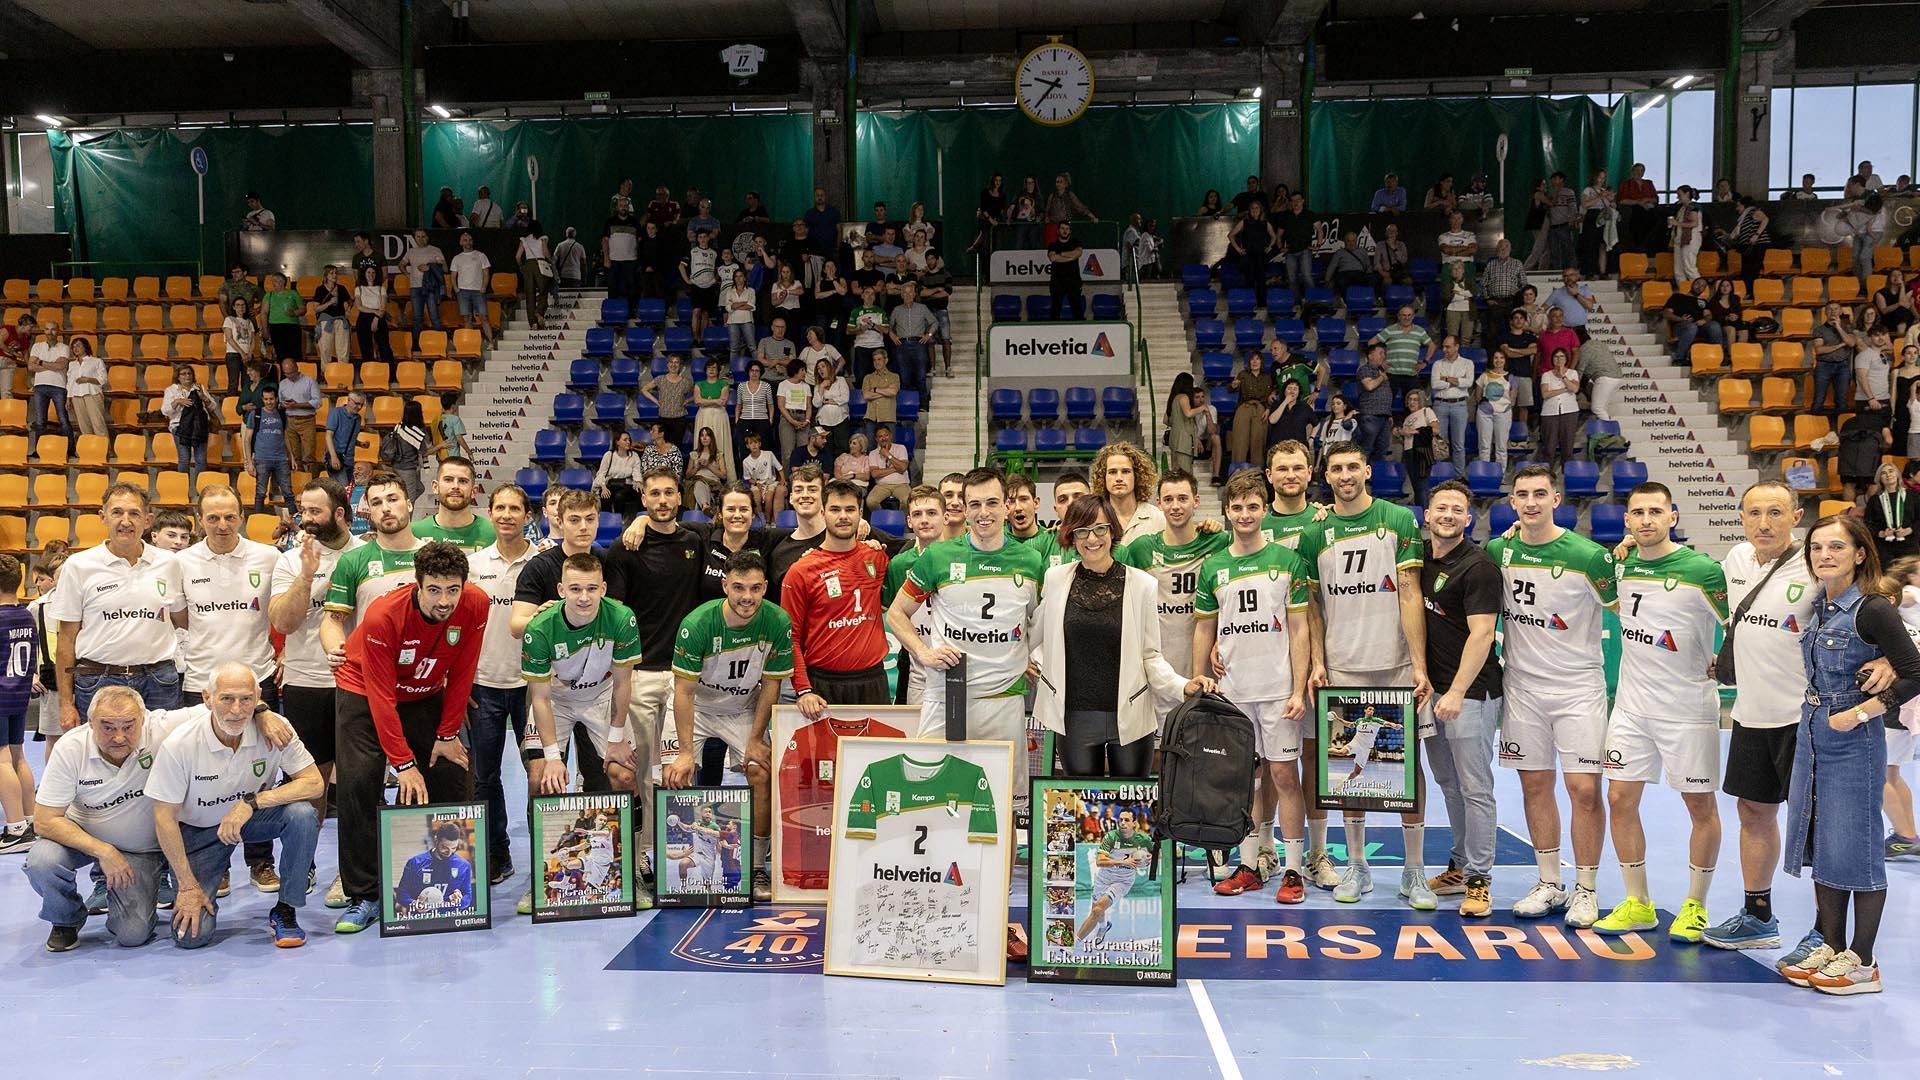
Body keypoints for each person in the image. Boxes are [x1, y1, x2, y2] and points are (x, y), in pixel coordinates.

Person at [1777, 515, 1920, 995]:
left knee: (1857, 847)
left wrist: (1863, 713)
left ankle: (1863, 961)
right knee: (1825, 844)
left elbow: (1915, 673)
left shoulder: (1872, 608)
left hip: (1853, 738)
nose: (1824, 555)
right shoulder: (1822, 604)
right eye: (1817, 547)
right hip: (1813, 732)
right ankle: (1831, 945)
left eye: (1836, 547)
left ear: (1860, 554)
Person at [27, 688, 274, 951]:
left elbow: (228, 707)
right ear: (91, 723)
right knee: (43, 860)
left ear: (144, 719)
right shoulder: (70, 748)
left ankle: (145, 892)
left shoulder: (162, 727)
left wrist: (264, 713)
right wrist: (104, 851)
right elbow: (44, 821)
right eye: (107, 727)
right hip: (88, 838)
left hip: (146, 850)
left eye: (128, 726)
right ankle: (66, 919)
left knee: (132, 935)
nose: (119, 737)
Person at [1588, 483, 1730, 942]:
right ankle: (1638, 903)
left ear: (1673, 516)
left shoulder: (1703, 570)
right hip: (1631, 708)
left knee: (1700, 807)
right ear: (1626, 521)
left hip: (1688, 711)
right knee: (1619, 800)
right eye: (1637, 513)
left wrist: (1726, 662)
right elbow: (1604, 593)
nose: (1646, 519)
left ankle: (1695, 905)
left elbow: (1742, 624)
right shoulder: (1621, 566)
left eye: (1655, 511)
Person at [1297, 444, 1433, 907]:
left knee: (1406, 768)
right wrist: (1318, 661)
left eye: (1352, 466)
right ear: (1326, 476)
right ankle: (1358, 868)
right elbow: (1312, 608)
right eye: (1336, 468)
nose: (1345, 474)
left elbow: (1410, 593)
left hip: (1394, 663)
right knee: (1346, 771)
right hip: (1342, 666)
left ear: (1368, 471)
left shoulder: (1397, 520)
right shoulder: (1315, 533)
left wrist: (1419, 664)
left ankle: (1414, 873)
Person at [328, 541, 488, 934]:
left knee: (449, 769)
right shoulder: (385, 615)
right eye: (434, 589)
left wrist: (448, 734)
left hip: (426, 692)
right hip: (363, 691)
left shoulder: (476, 604)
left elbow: (464, 672)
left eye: (453, 589)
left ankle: (453, 885)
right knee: (360, 782)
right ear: (417, 585)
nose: (445, 600)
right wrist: (402, 764)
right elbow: (381, 695)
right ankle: (364, 894)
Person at [1485, 466, 1617, 927]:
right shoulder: (1498, 550)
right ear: (1513, 502)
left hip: (1578, 689)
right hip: (1522, 687)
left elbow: (1629, 607)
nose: (1532, 502)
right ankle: (1548, 882)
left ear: (1556, 498)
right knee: (1534, 785)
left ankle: (1587, 887)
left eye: (1540, 494)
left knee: (1584, 789)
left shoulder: (1590, 555)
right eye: (1522, 495)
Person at [1702, 483, 1821, 952]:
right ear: (1742, 518)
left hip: (1804, 719)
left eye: (1775, 512)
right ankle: (1758, 917)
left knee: (1817, 826)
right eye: (1754, 513)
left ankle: (1825, 931)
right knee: (1753, 812)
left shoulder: (1816, 563)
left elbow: (1865, 610)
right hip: (1750, 715)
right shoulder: (1735, 560)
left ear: (1796, 515)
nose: (1764, 523)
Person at [1193, 470, 1311, 900]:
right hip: (1234, 691)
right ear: (1226, 512)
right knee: (1246, 781)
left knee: (1284, 776)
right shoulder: (1215, 566)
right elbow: (1203, 629)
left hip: (1278, 690)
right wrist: (1200, 678)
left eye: (1252, 507)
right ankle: (1248, 864)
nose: (1245, 514)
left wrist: (1298, 689)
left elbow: (1300, 630)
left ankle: (1294, 869)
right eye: (1236, 507)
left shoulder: (1287, 560)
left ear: (1264, 510)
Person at [147, 662, 323, 949]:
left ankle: (286, 909)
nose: (237, 709)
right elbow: (164, 818)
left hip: (249, 820)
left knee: (302, 814)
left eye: (246, 699)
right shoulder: (180, 743)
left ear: (258, 698)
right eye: (226, 698)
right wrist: (189, 886)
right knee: (191, 938)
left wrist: (252, 803)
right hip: (199, 831)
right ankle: (174, 884)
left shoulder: (276, 730)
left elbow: (314, 783)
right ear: (207, 698)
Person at [885, 467, 1043, 762]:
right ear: (963, 510)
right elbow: (896, 614)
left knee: (1002, 795)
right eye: (975, 504)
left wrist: (1035, 657)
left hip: (1004, 697)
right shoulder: (938, 556)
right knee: (932, 784)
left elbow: (1038, 622)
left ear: (1007, 506)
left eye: (992, 502)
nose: (984, 512)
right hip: (947, 693)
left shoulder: (1031, 561)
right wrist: (922, 652)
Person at [516, 552, 642, 913]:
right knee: (540, 778)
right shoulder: (539, 629)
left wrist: (616, 738)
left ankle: (630, 873)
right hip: (555, 699)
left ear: (603, 588)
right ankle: (538, 880)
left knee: (624, 775)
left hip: (602, 695)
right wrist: (555, 759)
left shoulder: (621, 618)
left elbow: (622, 683)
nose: (584, 597)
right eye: (575, 589)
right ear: (561, 590)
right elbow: (539, 697)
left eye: (591, 588)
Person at [664, 551, 792, 901]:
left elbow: (771, 686)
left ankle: (757, 867)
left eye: (754, 588)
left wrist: (754, 739)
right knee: (674, 774)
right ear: (725, 586)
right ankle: (674, 869)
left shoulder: (778, 621)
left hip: (741, 709)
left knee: (760, 770)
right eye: (738, 588)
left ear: (765, 587)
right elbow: (684, 693)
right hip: (698, 708)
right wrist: (686, 753)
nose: (746, 597)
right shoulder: (698, 623)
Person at [175, 485, 283, 889]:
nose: (222, 525)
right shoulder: (181, 563)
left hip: (257, 683)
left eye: (230, 516)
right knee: (203, 779)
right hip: (200, 684)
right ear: (199, 519)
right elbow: (179, 618)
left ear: (242, 516)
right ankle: (215, 864)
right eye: (213, 517)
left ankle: (260, 860)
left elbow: (281, 612)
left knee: (259, 774)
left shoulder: (268, 557)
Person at [267, 477, 364, 908]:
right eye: (302, 511)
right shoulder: (290, 561)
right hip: (307, 680)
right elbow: (284, 623)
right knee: (310, 782)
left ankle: (352, 872)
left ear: (340, 513)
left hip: (359, 682)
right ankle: (303, 863)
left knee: (360, 784)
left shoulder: (367, 554)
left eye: (315, 511)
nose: (305, 520)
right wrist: (306, 576)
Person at [1414, 482, 1503, 918]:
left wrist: (1456, 691)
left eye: (1457, 510)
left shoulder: (1479, 567)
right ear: (1426, 515)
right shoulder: (1417, 558)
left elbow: (1483, 633)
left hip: (1468, 693)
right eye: (1440, 507)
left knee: (1475, 787)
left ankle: (1481, 879)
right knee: (1448, 784)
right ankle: (1460, 865)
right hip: (1431, 692)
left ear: (1468, 519)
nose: (1448, 515)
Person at [53, 484, 186, 733]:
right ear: (103, 517)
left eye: (134, 513)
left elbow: (183, 619)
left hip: (158, 680)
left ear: (148, 521)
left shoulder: (169, 564)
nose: (126, 521)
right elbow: (66, 639)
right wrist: (64, 703)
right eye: (117, 512)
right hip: (98, 680)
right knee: (101, 760)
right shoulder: (79, 566)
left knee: (160, 758)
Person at [463, 484, 535, 887]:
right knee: (486, 777)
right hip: (484, 685)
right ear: (490, 513)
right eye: (500, 508)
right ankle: (497, 853)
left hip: (532, 686)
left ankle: (545, 854)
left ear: (528, 515)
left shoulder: (542, 563)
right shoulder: (473, 565)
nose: (507, 514)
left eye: (515, 508)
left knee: (538, 774)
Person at [784, 480, 893, 715]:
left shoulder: (876, 557)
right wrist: (803, 689)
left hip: (873, 680)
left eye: (850, 509)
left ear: (861, 514)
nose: (843, 516)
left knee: (877, 753)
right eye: (835, 509)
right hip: (822, 685)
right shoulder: (801, 570)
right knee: (826, 754)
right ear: (823, 512)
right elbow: (790, 637)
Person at [411, 456, 494, 551]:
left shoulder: (493, 534)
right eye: (448, 480)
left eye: (463, 481)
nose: (455, 486)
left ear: (474, 491)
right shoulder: (414, 533)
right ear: (435, 487)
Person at [1091, 442, 1166, 544]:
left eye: (1125, 471)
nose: (1119, 478)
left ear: (1137, 476)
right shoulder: (1093, 518)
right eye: (1112, 472)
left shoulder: (1158, 518)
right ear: (1103, 477)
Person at [1369, 304, 1435, 403]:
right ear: (1399, 316)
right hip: (1392, 374)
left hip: (1411, 374)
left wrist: (1425, 362)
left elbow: (1432, 346)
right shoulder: (1390, 330)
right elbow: (1371, 343)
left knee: (1413, 406)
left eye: (1409, 315)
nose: (1406, 317)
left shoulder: (1419, 331)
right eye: (1403, 315)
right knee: (1386, 403)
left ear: (1413, 316)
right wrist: (1380, 362)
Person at [1428, 334, 1474, 477]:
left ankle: (1459, 477)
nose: (1444, 349)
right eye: (1443, 346)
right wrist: (1456, 381)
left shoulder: (1467, 363)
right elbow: (1435, 384)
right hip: (1440, 405)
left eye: (1447, 347)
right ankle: (1440, 475)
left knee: (1458, 444)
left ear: (1456, 347)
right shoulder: (1437, 364)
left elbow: (1468, 382)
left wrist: (1445, 378)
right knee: (1439, 443)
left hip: (1459, 405)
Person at [380, 399, 436, 506]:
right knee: (410, 500)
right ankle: (406, 521)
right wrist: (441, 446)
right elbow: (425, 452)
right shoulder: (416, 432)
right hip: (407, 469)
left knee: (419, 488)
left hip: (396, 465)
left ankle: (397, 505)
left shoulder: (399, 426)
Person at [1227, 352, 1276, 469]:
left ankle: (1257, 474)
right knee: (1240, 441)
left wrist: (1268, 409)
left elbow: (1271, 397)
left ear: (1261, 362)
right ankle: (1237, 473)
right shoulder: (1243, 374)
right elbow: (1231, 389)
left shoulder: (1267, 378)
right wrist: (1233, 386)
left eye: (1257, 359)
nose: (1254, 362)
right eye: (1252, 359)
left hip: (1260, 409)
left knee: (1258, 442)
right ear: (1249, 362)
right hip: (1244, 407)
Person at [1537, 348, 1582, 472]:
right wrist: (1563, 390)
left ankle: (1567, 475)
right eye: (1556, 357)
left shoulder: (1572, 373)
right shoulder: (1547, 375)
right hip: (1550, 413)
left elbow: (1574, 389)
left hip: (1569, 411)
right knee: (1549, 447)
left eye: (1562, 357)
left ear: (1566, 359)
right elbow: (1545, 394)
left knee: (1567, 447)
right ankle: (1546, 475)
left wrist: (1563, 377)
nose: (1559, 359)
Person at [692, 357, 735, 482]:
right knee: (703, 441)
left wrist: (708, 401)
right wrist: (714, 400)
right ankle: (701, 473)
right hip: (703, 416)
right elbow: (697, 401)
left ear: (718, 370)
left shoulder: (724, 384)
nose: (711, 370)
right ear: (705, 370)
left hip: (719, 416)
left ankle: (725, 476)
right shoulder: (699, 384)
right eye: (709, 367)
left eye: (714, 368)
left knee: (721, 442)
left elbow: (723, 401)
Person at [277, 354, 322, 472]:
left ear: (297, 368)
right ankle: (299, 482)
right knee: (294, 456)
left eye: (291, 373)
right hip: (290, 421)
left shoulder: (309, 381)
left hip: (307, 420)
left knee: (309, 456)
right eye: (286, 373)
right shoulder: (283, 383)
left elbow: (317, 402)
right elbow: (279, 402)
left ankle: (313, 483)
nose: (289, 376)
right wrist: (283, 405)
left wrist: (297, 405)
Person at [448, 232, 493, 346]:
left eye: (469, 240)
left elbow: (486, 273)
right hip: (463, 292)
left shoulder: (481, 255)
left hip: (478, 291)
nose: (467, 242)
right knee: (467, 318)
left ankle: (490, 342)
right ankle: (470, 344)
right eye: (465, 240)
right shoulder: (456, 258)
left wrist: (484, 287)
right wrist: (456, 289)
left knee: (483, 317)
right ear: (460, 242)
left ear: (472, 241)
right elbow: (453, 276)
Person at [27, 324, 69, 445]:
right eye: (47, 329)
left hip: (59, 386)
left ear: (58, 331)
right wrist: (52, 366)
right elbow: (30, 366)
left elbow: (61, 366)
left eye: (53, 329)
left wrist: (40, 362)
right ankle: (38, 451)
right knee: (40, 421)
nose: (50, 332)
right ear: (44, 331)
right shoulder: (37, 346)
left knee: (63, 420)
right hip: (40, 386)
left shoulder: (64, 347)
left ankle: (69, 450)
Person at [642, 353, 694, 448]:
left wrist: (687, 401)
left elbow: (697, 394)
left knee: (676, 448)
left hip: (679, 420)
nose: (673, 365)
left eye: (676, 362)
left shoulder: (686, 381)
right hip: (663, 419)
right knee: (662, 446)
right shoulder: (660, 379)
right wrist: (656, 401)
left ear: (679, 365)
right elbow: (644, 389)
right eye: (671, 362)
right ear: (667, 364)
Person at [349, 264, 396, 367]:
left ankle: (390, 374)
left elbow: (382, 307)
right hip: (364, 317)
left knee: (384, 346)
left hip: (379, 317)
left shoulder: (381, 288)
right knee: (366, 347)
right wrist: (374, 312)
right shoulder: (359, 289)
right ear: (364, 274)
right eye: (368, 272)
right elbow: (359, 307)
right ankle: (369, 373)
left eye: (373, 272)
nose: (371, 275)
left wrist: (376, 318)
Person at [402, 228, 447, 334]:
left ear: (427, 237)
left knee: (434, 316)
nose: (421, 239)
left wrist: (429, 267)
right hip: (415, 287)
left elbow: (444, 268)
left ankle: (440, 342)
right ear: (414, 238)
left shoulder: (435, 250)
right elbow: (401, 265)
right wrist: (408, 275)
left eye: (423, 236)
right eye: (418, 236)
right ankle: (417, 346)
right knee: (417, 318)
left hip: (430, 287)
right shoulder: (411, 251)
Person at [1229, 200, 1277, 295]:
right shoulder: (1244, 222)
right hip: (1248, 256)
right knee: (1249, 279)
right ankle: (1250, 302)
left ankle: (1262, 304)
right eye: (1252, 208)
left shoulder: (1265, 223)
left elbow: (1274, 236)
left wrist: (1270, 246)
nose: (1255, 210)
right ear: (1249, 210)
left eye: (1257, 208)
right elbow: (1230, 235)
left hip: (1261, 255)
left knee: (1261, 280)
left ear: (1261, 210)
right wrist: (1238, 249)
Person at [602, 198, 642, 310]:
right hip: (614, 260)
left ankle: (631, 312)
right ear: (617, 207)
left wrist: (639, 259)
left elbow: (639, 241)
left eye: (625, 205)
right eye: (621, 205)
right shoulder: (610, 222)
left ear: (628, 207)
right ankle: (613, 311)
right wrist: (606, 258)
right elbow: (605, 240)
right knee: (613, 287)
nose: (623, 207)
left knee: (631, 288)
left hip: (631, 261)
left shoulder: (635, 222)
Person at [63, 335, 106, 438]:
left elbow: (103, 379)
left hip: (92, 394)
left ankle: (105, 450)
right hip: (76, 396)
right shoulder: (72, 364)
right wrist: (68, 399)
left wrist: (87, 379)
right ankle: (89, 450)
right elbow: (70, 383)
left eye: (78, 345)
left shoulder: (96, 361)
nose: (75, 348)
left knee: (98, 423)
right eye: (73, 347)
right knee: (84, 426)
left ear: (85, 347)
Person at [812, 358, 851, 460]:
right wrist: (821, 387)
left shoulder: (840, 380)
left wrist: (828, 401)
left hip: (840, 420)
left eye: (823, 366)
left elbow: (845, 398)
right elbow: (816, 403)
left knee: (842, 447)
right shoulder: (817, 386)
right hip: (823, 421)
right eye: (818, 368)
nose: (820, 370)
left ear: (829, 368)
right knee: (826, 449)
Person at [1577, 168, 1614, 277]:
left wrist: (1611, 200)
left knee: (1603, 245)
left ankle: (1603, 271)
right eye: (1599, 177)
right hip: (1592, 217)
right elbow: (1585, 204)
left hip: (1604, 218)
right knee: (1591, 245)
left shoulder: (1605, 190)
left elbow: (1612, 206)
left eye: (1603, 178)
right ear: (1594, 177)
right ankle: (1590, 271)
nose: (1601, 180)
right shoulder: (1588, 190)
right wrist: (1599, 197)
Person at [865, 424, 910, 511]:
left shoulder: (901, 448)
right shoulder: (873, 453)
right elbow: (874, 474)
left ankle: (902, 522)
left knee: (906, 500)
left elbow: (903, 467)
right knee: (871, 501)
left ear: (890, 435)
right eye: (880, 436)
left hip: (901, 484)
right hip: (882, 485)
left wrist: (888, 455)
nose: (884, 438)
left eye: (886, 435)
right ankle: (883, 521)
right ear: (876, 439)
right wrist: (895, 469)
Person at [1047, 222, 1086, 321]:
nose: (1065, 231)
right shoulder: (1053, 245)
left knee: (1077, 310)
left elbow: (1078, 253)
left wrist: (1062, 254)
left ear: (1070, 231)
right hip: (1057, 281)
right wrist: (1070, 257)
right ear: (1058, 231)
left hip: (1074, 281)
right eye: (1062, 228)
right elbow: (1052, 258)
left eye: (1067, 229)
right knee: (1055, 311)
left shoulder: (1076, 242)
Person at [1669, 185, 1703, 285]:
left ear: (1687, 194)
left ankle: (1699, 291)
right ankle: (1684, 293)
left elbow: (1694, 223)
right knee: (1678, 271)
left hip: (1690, 240)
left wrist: (1677, 223)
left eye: (1679, 195)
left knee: (1689, 268)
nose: (1677, 197)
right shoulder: (1682, 208)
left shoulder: (1694, 207)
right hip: (1679, 240)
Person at [552, 227, 587, 291]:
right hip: (576, 276)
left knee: (564, 297)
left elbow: (553, 261)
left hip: (563, 276)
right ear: (575, 234)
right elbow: (583, 264)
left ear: (566, 234)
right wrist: (584, 278)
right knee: (575, 298)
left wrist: (556, 275)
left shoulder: (560, 245)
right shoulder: (580, 247)